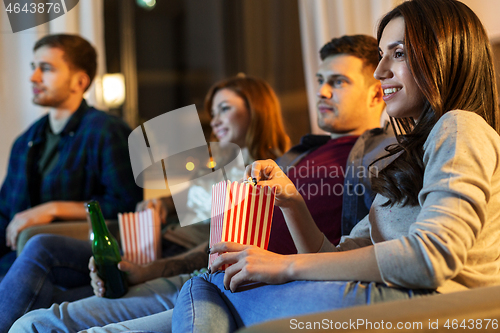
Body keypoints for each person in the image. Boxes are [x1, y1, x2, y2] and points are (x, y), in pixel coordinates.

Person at [10, 35, 392, 333]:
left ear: (377, 91)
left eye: (337, 82)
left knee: (42, 294)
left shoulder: (382, 154)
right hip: (205, 273)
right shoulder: (292, 157)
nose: (322, 92)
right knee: (38, 317)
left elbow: (380, 248)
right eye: (320, 81)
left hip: (248, 285)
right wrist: (154, 258)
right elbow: (216, 241)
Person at [170, 0, 500, 332]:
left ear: (446, 57)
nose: (380, 70)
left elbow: (433, 257)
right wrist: (293, 203)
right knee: (208, 289)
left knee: (209, 287)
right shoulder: (409, 154)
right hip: (394, 299)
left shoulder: (460, 126)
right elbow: (332, 257)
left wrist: (285, 267)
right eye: (382, 54)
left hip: (426, 308)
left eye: (398, 53)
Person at [4, 75, 290, 332]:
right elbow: (197, 201)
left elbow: (225, 246)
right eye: (212, 112)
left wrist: (153, 267)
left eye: (225, 109)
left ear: (257, 110)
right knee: (43, 255)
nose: (214, 120)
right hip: (156, 240)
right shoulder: (218, 164)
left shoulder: (271, 173)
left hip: (179, 255)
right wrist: (162, 205)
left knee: (44, 283)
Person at [0, 34, 142, 275]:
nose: (33, 77)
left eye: (46, 68)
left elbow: (127, 205)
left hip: (73, 260)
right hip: (14, 258)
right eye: (34, 67)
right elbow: (5, 211)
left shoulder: (107, 131)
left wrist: (54, 208)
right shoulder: (26, 141)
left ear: (79, 81)